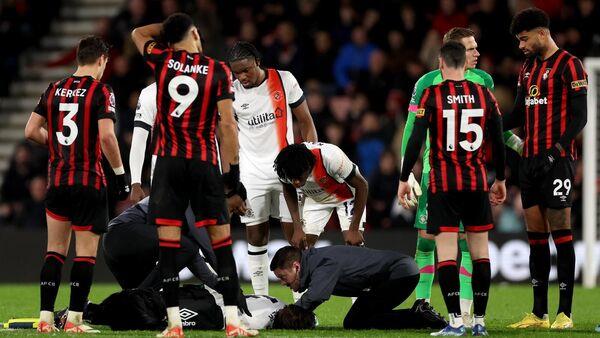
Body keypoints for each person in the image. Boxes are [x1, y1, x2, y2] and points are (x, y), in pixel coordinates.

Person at [131, 13, 254, 337]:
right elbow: (227, 126)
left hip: (168, 164)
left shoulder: (162, 59)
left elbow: (137, 33)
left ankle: (173, 325)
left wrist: (168, 33)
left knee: (168, 248)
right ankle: (232, 323)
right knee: (222, 244)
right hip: (202, 162)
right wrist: (233, 175)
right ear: (196, 34)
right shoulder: (218, 70)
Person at [399, 27, 523, 325]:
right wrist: (410, 169)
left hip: (445, 178)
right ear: (453, 52)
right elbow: (410, 129)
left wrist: (517, 143)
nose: (477, 53)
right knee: (428, 242)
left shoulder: (481, 81)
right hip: (451, 175)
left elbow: (493, 127)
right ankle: (424, 306)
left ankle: (463, 314)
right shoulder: (426, 83)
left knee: (460, 246)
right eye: (471, 48)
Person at [24, 35, 130, 333]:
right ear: (101, 60)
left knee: (54, 251)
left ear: (77, 59)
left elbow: (31, 131)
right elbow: (108, 137)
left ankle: (45, 319)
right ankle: (73, 320)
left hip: (57, 182)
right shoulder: (101, 91)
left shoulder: (54, 89)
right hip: (88, 182)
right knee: (84, 254)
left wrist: (59, 147)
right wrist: (121, 175)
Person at [504, 8, 587, 330]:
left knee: (561, 233)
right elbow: (517, 116)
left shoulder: (570, 64)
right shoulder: (526, 68)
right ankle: (538, 314)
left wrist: (554, 152)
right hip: (530, 162)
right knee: (535, 237)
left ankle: (564, 313)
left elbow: (580, 117)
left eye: (524, 39)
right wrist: (487, 121)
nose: (521, 45)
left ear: (542, 33)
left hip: (559, 161)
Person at [227, 41, 318, 296]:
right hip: (251, 175)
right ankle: (260, 298)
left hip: (286, 173)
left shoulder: (284, 80)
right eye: (236, 72)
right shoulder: (231, 94)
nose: (242, 76)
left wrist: (309, 161)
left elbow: (306, 122)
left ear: (258, 62)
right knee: (256, 238)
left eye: (246, 70)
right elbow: (228, 138)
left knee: (296, 238)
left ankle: (301, 301)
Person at [270, 245, 448, 330]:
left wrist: (286, 316)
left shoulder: (321, 262)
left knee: (357, 321)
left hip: (398, 274)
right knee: (358, 320)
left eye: (283, 277)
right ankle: (420, 314)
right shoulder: (315, 260)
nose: (283, 283)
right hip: (393, 274)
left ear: (296, 266)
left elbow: (316, 296)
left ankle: (419, 316)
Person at [103, 197, 218, 290]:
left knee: (143, 309)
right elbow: (206, 249)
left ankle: (93, 311)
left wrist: (223, 288)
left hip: (121, 245)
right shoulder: (190, 201)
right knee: (186, 247)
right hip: (121, 234)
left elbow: (194, 260)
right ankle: (139, 296)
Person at [273, 142, 368, 249]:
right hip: (315, 198)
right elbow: (288, 190)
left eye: (298, 178)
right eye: (292, 179)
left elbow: (362, 186)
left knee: (353, 244)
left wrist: (354, 228)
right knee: (302, 247)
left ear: (308, 167)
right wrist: (298, 228)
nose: (296, 183)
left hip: (345, 195)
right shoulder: (285, 167)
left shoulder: (331, 157)